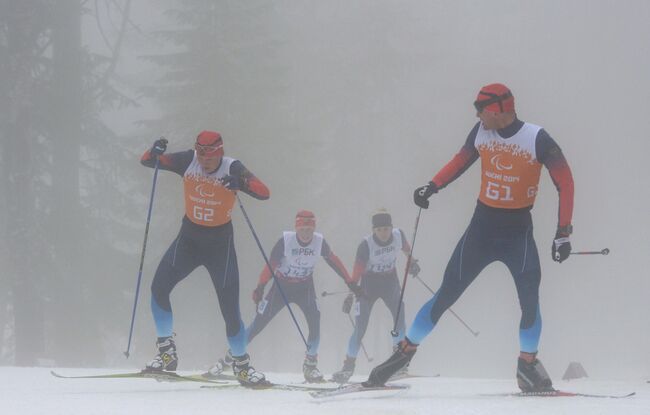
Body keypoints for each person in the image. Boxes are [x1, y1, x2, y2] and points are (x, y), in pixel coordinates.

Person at [364, 83, 574, 393]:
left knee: (530, 299)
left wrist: (562, 232)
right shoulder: (481, 132)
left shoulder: (536, 138)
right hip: (482, 229)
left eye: (481, 109)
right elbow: (460, 160)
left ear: (498, 110)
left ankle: (527, 365)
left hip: (518, 231)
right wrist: (431, 186)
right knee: (447, 293)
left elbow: (565, 181)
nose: (476, 115)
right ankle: (404, 355)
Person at [140, 131, 271, 387]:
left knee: (230, 311)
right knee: (158, 288)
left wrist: (239, 183)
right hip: (188, 240)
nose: (203, 159)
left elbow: (264, 192)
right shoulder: (188, 160)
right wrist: (154, 151)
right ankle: (166, 353)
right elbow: (147, 161)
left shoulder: (232, 166)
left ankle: (241, 366)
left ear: (219, 151)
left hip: (220, 246)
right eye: (200, 153)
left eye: (209, 155)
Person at [210, 210, 359, 383]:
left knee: (315, 321)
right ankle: (228, 359)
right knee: (258, 324)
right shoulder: (285, 242)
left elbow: (334, 261)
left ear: (313, 229)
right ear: (296, 228)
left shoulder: (319, 242)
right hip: (281, 287)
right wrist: (260, 287)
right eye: (302, 229)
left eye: (309, 229)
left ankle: (310, 366)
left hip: (305, 287)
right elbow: (270, 266)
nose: (306, 233)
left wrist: (349, 282)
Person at [331, 209, 421, 383]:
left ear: (391, 227)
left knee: (399, 320)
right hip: (368, 286)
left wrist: (413, 263)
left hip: (390, 282)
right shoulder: (366, 245)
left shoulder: (398, 235)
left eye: (386, 228)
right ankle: (347, 368)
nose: (383, 233)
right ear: (374, 230)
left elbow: (407, 251)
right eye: (379, 230)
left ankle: (399, 363)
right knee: (360, 328)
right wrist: (351, 295)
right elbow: (356, 272)